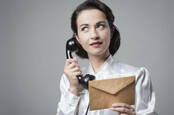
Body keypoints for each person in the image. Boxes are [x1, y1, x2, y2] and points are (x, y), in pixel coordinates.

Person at [56, 0, 156, 115]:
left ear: (111, 31)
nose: (94, 35)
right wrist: (73, 89)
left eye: (100, 26)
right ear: (77, 38)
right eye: (85, 28)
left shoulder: (137, 76)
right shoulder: (69, 80)